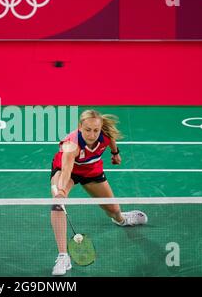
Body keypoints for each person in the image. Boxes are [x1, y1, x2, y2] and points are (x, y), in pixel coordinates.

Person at [50, 109, 148, 276]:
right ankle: (63, 256)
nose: (92, 134)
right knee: (57, 205)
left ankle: (122, 220)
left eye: (96, 130)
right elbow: (66, 171)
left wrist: (115, 154)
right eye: (88, 129)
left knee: (114, 209)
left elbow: (111, 140)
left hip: (92, 171)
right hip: (67, 172)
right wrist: (60, 191)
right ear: (80, 127)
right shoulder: (71, 144)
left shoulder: (105, 134)